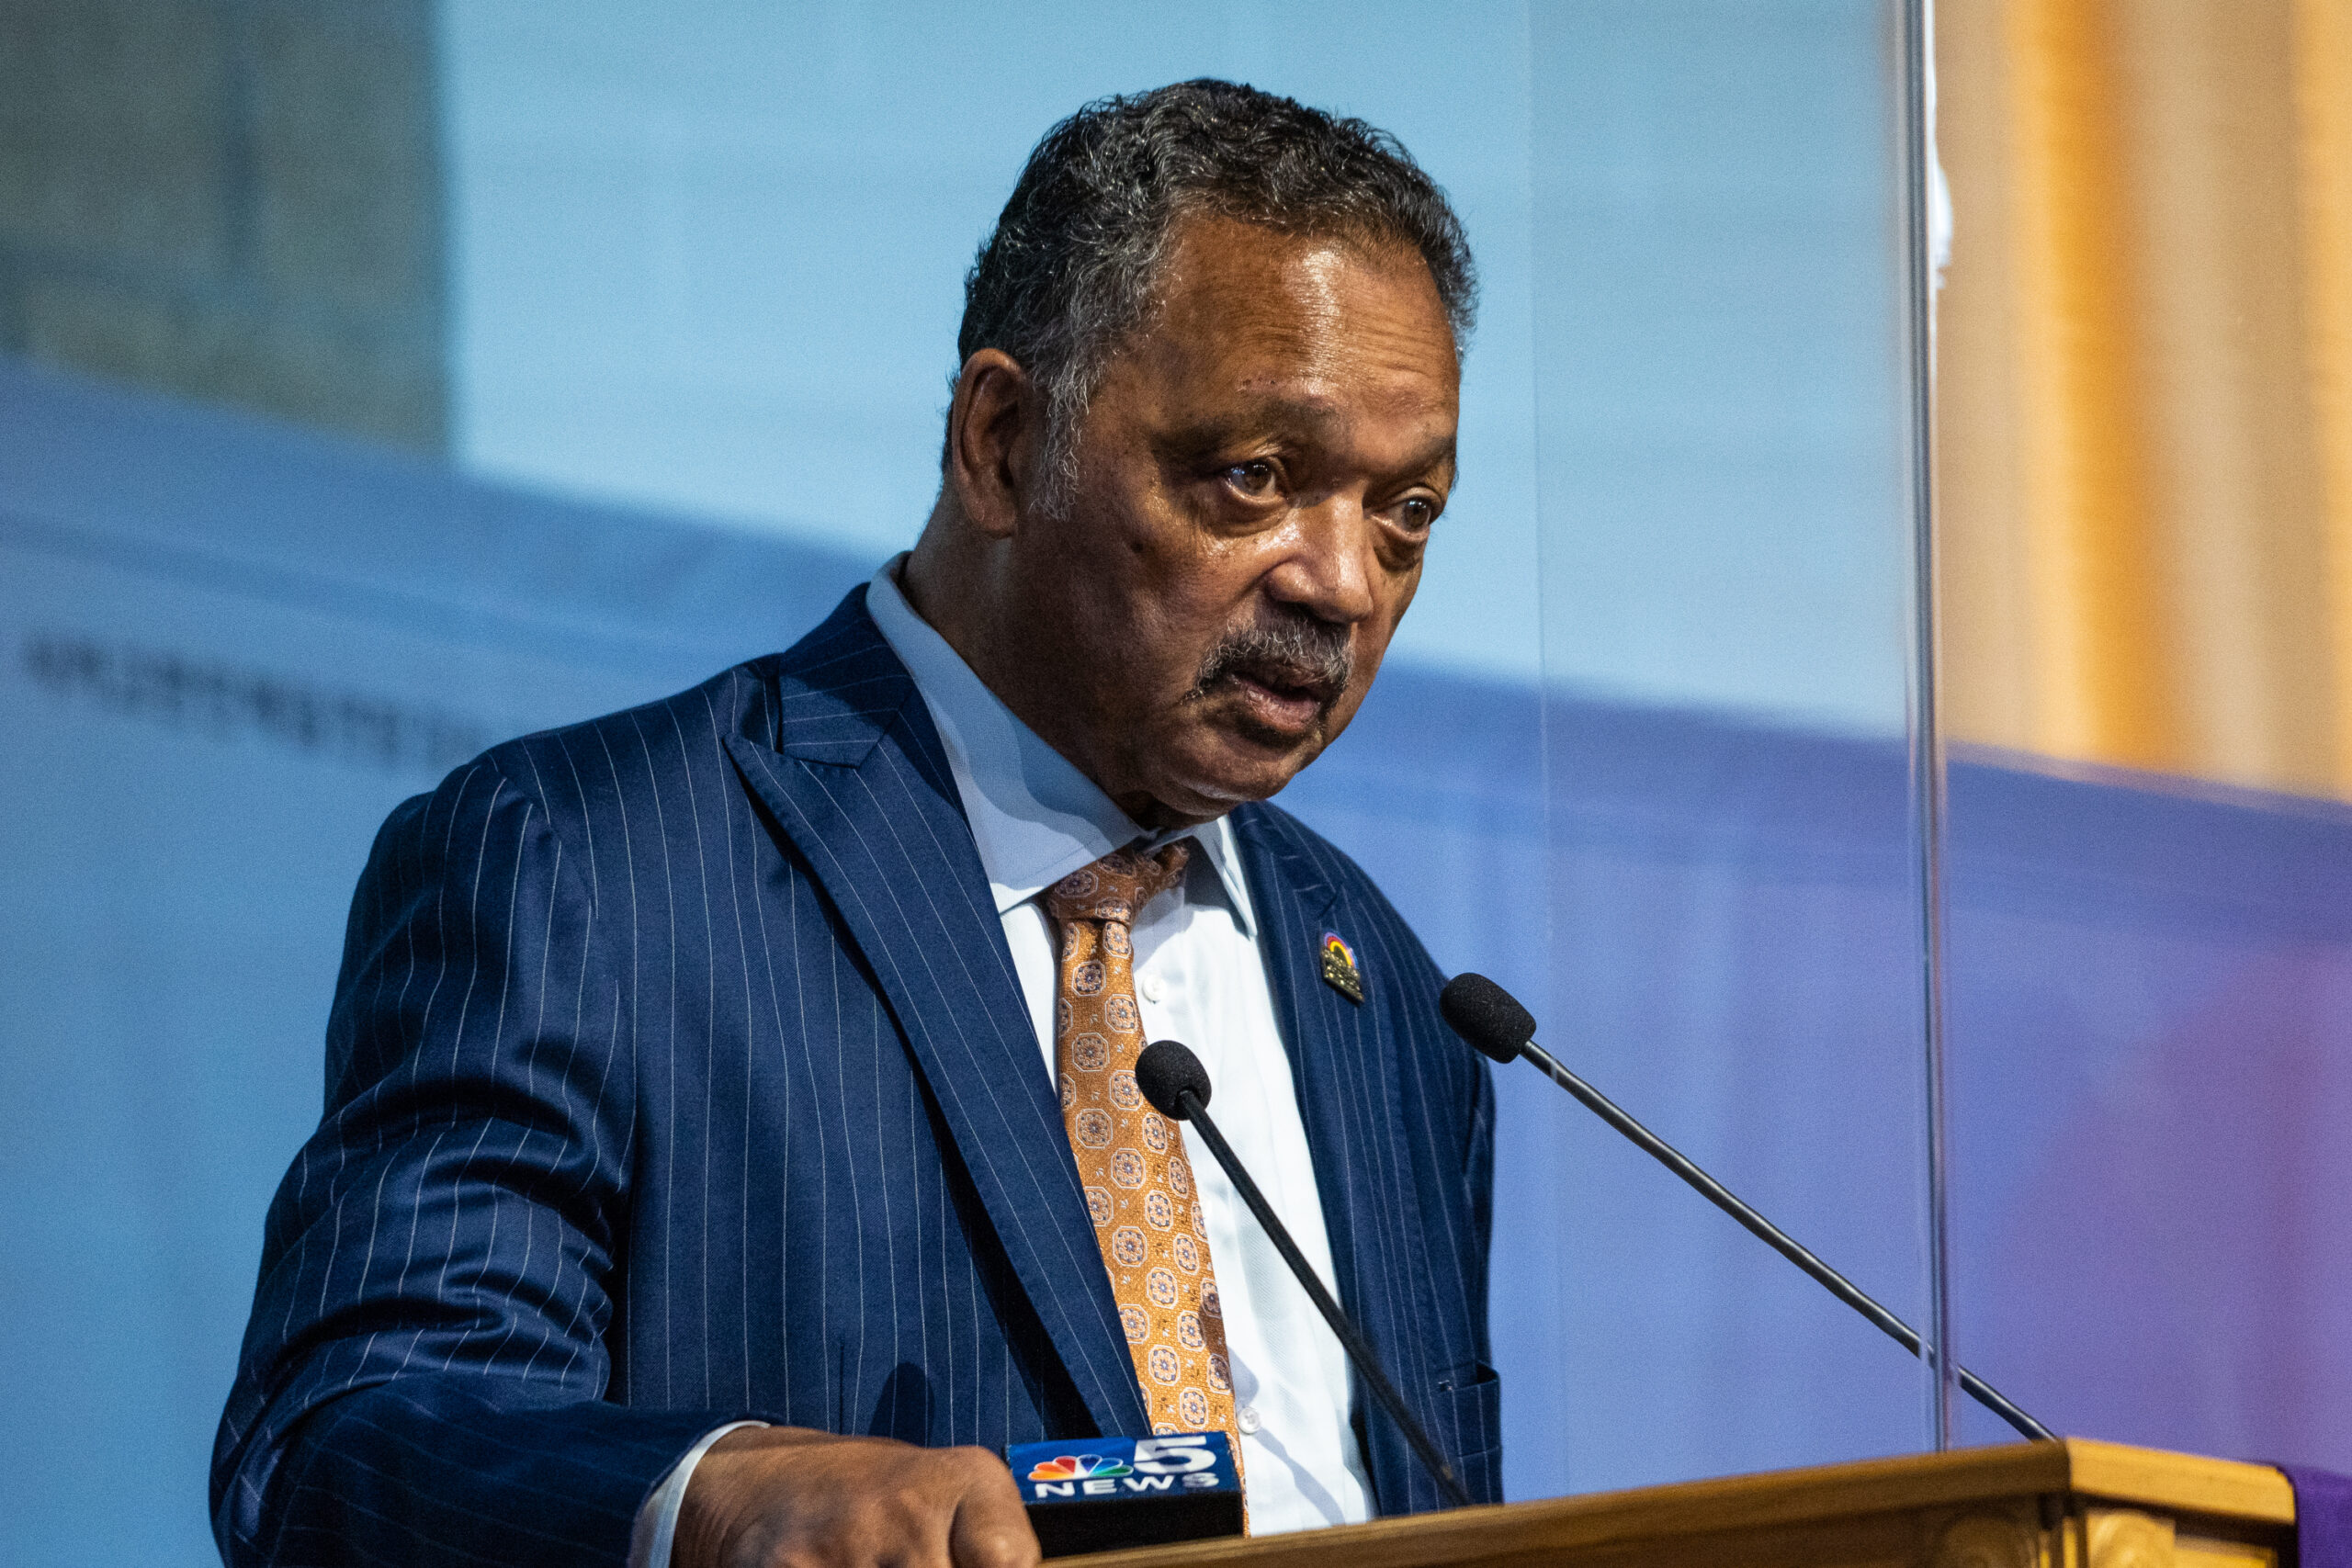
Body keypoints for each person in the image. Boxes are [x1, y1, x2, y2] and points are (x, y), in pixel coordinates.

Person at [212, 78, 1498, 1568]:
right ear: (1002, 443)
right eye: (1256, 478)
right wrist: (708, 1498)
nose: (1342, 582)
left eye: (1407, 512)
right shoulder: (589, 867)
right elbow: (343, 1446)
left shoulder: (1385, 989)